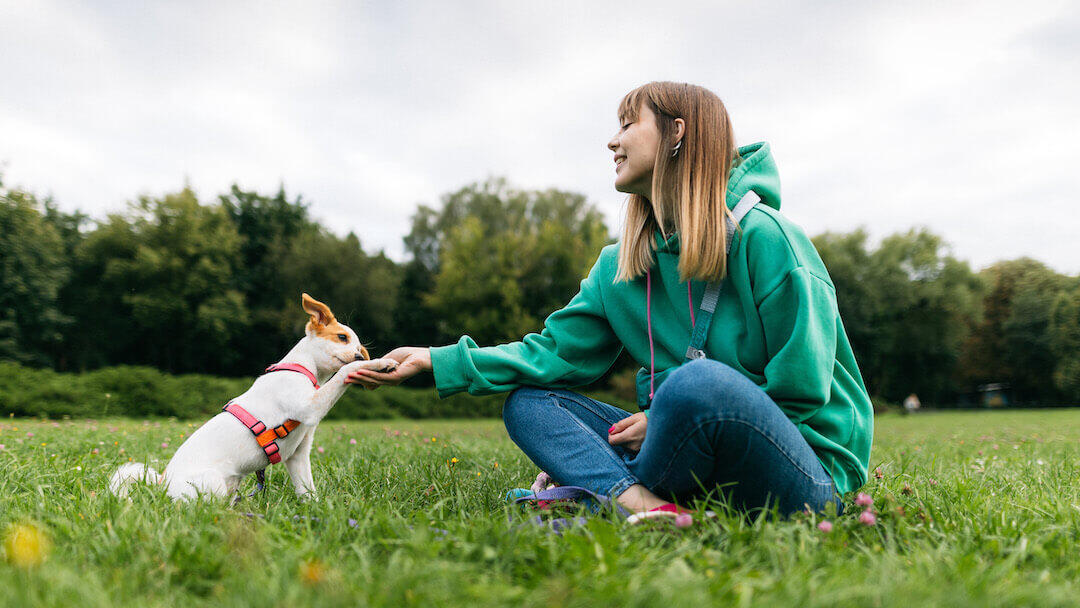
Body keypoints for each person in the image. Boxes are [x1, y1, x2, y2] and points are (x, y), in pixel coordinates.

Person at [349, 81, 873, 519]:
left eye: (628, 124)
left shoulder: (768, 239)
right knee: (531, 402)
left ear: (675, 133)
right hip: (681, 454)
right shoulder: (619, 265)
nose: (612, 142)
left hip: (804, 472)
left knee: (697, 383)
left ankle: (595, 488)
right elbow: (550, 355)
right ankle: (642, 503)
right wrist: (435, 358)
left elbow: (803, 387)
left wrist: (672, 413)